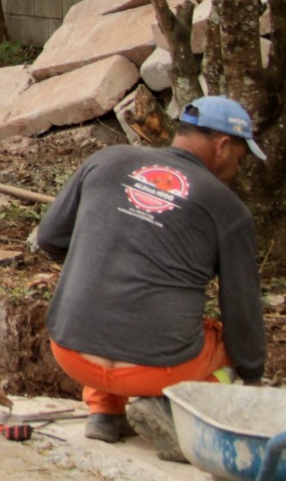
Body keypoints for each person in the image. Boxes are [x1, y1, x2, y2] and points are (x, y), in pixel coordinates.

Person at [34, 96, 268, 451]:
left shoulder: (107, 161)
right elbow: (242, 308)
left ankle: (105, 412)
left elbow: (49, 238)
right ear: (222, 145)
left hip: (71, 351)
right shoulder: (227, 208)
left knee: (110, 299)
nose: (237, 168)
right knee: (230, 345)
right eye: (239, 157)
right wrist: (252, 381)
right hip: (160, 370)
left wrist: (97, 259)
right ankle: (175, 414)